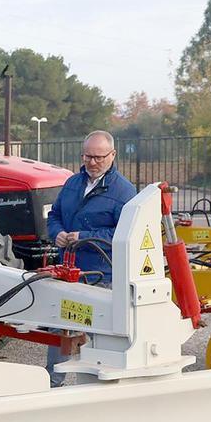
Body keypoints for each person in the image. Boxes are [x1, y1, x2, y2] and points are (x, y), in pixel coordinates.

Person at [43, 130, 137, 387]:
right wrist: (58, 233)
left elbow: (123, 232)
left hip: (99, 275)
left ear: (112, 155)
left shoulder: (124, 192)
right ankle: (53, 382)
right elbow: (55, 215)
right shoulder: (72, 184)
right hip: (68, 270)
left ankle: (96, 386)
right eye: (87, 156)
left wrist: (83, 235)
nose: (92, 162)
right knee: (60, 325)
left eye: (98, 157)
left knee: (97, 329)